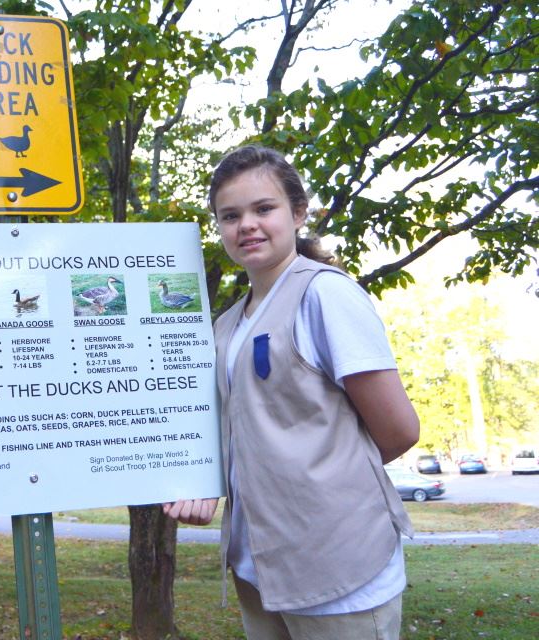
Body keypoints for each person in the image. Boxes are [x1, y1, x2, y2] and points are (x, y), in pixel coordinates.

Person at [165, 145, 419, 639]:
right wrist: (200, 481)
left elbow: (399, 431)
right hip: (259, 568)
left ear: (298, 213)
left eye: (264, 209)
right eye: (231, 215)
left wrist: (319, 482)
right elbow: (233, 433)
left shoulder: (325, 294)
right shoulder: (226, 325)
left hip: (340, 567)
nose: (247, 226)